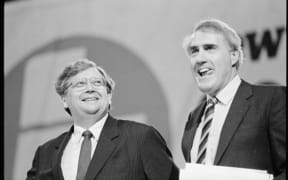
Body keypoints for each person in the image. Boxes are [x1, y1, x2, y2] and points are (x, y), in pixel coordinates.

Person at [26, 58, 179, 180]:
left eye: (97, 82)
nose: (90, 88)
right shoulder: (45, 153)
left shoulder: (141, 138)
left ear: (109, 96)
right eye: (80, 84)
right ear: (65, 99)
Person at [181, 19, 286, 179]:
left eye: (209, 48)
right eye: (194, 51)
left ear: (234, 56)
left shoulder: (271, 100)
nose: (199, 58)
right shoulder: (193, 119)